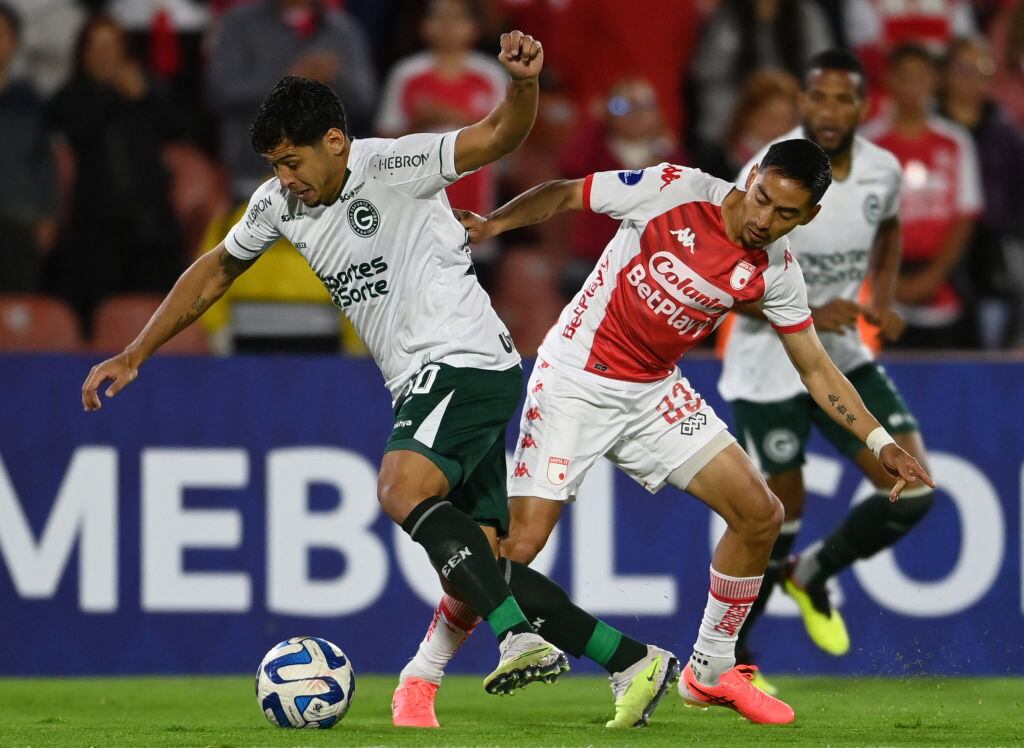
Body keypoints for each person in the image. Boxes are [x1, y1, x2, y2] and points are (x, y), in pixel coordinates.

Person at [81, 33, 678, 731]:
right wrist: (138, 351)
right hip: (440, 378)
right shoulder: (279, 206)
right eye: (274, 165)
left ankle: (517, 635)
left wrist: (522, 86)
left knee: (401, 488)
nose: (285, 179)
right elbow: (216, 267)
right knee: (482, 564)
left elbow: (495, 137)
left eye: (292, 161)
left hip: (459, 361)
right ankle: (633, 660)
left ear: (335, 141)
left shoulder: (396, 162)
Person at [399, 139, 934, 726]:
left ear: (809, 216)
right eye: (762, 199)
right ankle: (422, 675)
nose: (763, 220)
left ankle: (710, 670)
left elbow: (815, 367)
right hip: (577, 377)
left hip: (653, 391)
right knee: (513, 550)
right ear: (751, 174)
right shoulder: (675, 189)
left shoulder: (777, 272)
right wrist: (495, 224)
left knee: (761, 514)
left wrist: (881, 442)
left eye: (785, 214)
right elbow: (567, 194)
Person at [719, 50, 935, 694]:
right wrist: (809, 305)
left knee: (916, 489)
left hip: (841, 355)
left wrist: (885, 297)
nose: (831, 111)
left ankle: (813, 574)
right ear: (803, 102)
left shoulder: (883, 172)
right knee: (777, 512)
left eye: (845, 99)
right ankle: (731, 659)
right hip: (767, 364)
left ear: (865, 106)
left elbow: (890, 231)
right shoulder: (767, 175)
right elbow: (727, 281)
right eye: (820, 97)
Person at [863, 43, 983, 349]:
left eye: (921, 77)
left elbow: (965, 215)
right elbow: (857, 216)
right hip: (881, 283)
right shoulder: (869, 144)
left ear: (934, 81)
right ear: (889, 80)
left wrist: (934, 275)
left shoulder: (955, 141)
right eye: (904, 77)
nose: (912, 86)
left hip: (943, 282)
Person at [939, 36, 1024, 348]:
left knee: (993, 345)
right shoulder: (930, 127)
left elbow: (1017, 191)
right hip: (937, 251)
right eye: (963, 68)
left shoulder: (1005, 131)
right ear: (944, 73)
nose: (972, 78)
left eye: (982, 69)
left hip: (992, 255)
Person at [0, 0, 58, 292]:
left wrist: (48, 214)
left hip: (19, 222)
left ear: (14, 41)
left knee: (17, 311)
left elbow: (44, 161)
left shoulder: (28, 99)